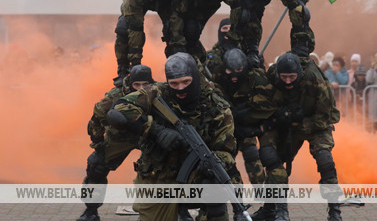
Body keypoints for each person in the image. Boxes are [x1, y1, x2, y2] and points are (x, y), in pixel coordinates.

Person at [105, 53, 237, 221]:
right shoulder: (156, 92)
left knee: (214, 189)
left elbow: (227, 151)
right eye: (174, 83)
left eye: (186, 82)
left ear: (195, 77)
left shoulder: (217, 107)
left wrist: (214, 161)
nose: (181, 88)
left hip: (195, 177)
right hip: (157, 176)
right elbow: (119, 109)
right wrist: (155, 130)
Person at [265, 52, 342, 221]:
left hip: (316, 124)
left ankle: (335, 210)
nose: (287, 81)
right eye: (283, 77)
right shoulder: (271, 76)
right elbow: (264, 105)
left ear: (299, 74)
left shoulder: (316, 80)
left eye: (292, 77)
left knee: (325, 160)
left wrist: (301, 123)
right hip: (287, 124)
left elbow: (326, 116)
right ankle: (274, 209)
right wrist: (281, 116)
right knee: (273, 160)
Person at [78, 66, 155, 221]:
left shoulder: (157, 93)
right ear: (130, 84)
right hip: (121, 136)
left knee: (170, 166)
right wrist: (99, 145)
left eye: (144, 85)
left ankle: (180, 210)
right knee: (96, 165)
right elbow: (96, 118)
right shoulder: (115, 96)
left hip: (149, 134)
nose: (140, 89)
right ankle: (91, 210)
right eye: (136, 85)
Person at [211, 48, 277, 187]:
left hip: (248, 120)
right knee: (225, 159)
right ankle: (234, 194)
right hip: (227, 123)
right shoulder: (217, 75)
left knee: (251, 152)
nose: (234, 75)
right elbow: (216, 101)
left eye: (239, 69)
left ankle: (260, 190)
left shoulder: (253, 77)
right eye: (230, 71)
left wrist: (251, 123)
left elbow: (264, 104)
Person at [165, 0, 242, 63]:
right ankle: (192, 58)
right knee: (187, 29)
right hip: (192, 5)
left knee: (245, 15)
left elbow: (237, 5)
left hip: (211, 0)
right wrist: (178, 45)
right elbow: (177, 13)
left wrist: (233, 37)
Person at [115, 0, 175, 84]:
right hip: (141, 2)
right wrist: (136, 65)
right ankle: (123, 70)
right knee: (123, 27)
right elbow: (135, 28)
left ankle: (177, 65)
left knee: (175, 28)